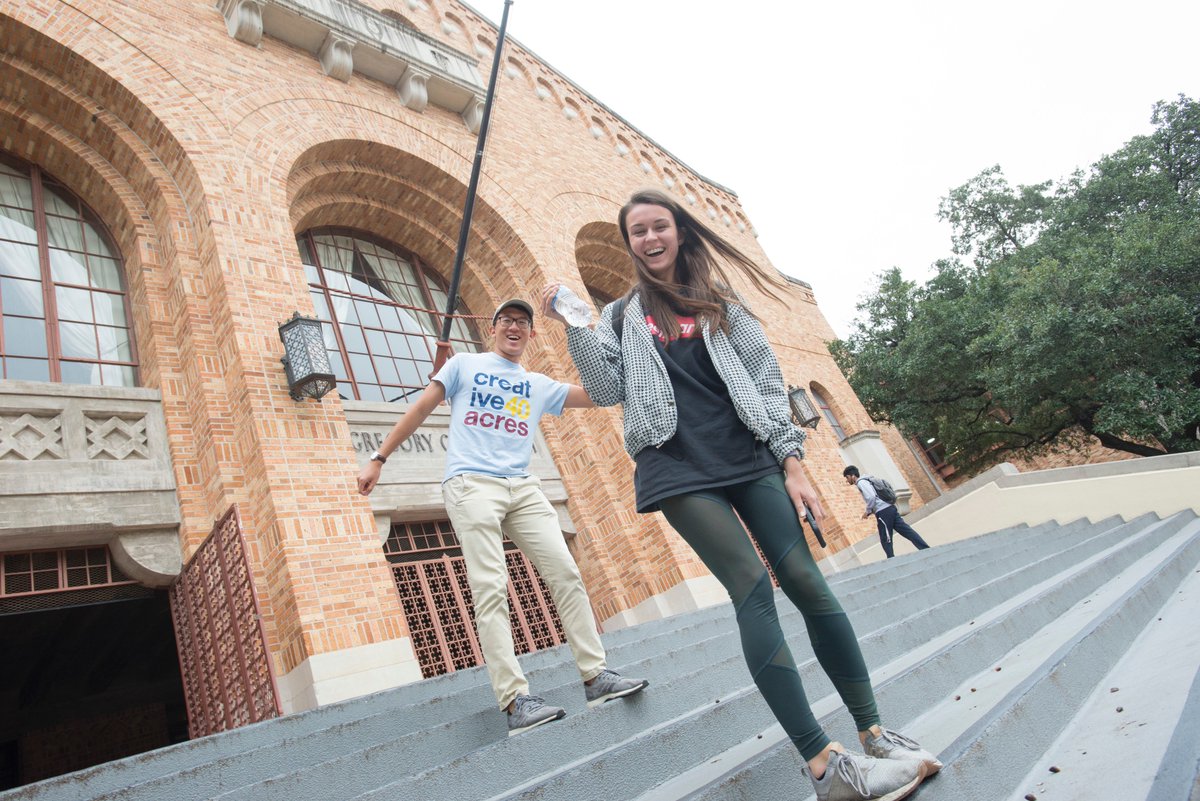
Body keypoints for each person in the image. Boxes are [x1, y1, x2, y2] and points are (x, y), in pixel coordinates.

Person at [542, 188, 941, 801]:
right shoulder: (621, 315)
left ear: (679, 233)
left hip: (750, 453)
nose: (649, 239)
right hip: (676, 465)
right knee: (752, 589)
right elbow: (606, 387)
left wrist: (794, 462)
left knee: (807, 581)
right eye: (637, 233)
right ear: (629, 246)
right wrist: (577, 327)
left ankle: (875, 732)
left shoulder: (720, 302)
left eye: (658, 227)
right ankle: (822, 764)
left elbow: (763, 377)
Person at [358, 298, 647, 736]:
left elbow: (602, 394)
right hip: (472, 484)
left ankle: (595, 676)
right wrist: (379, 457)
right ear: (492, 328)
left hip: (522, 486)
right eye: (507, 320)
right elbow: (420, 409)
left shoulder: (537, 383)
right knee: (491, 586)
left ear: (531, 335)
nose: (515, 327)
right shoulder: (464, 366)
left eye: (523, 323)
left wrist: (595, 338)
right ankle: (515, 700)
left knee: (566, 572)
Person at [843, 466, 931, 559]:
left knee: (885, 537)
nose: (847, 481)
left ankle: (891, 559)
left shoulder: (861, 482)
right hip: (890, 508)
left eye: (847, 478)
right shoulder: (867, 479)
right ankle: (925, 549)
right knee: (907, 531)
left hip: (883, 512)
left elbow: (872, 497)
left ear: (852, 476)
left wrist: (868, 511)